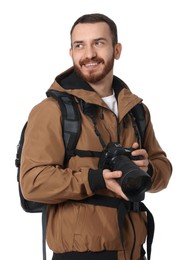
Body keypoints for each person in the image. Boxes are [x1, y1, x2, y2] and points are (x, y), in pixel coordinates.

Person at [20, 13, 172, 260]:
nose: (89, 54)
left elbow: (164, 169)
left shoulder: (136, 111)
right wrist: (95, 179)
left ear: (117, 49)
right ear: (71, 53)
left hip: (134, 253)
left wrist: (148, 169)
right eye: (80, 45)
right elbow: (32, 182)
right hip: (80, 254)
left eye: (98, 43)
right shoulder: (51, 110)